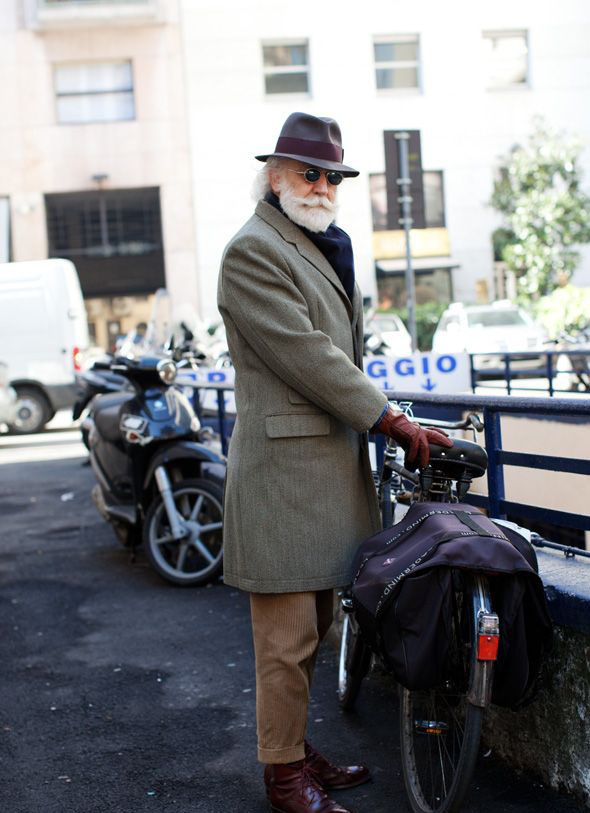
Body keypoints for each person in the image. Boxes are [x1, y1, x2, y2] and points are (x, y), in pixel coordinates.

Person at [217, 112, 452, 813]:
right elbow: (309, 356)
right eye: (308, 172)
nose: (322, 185)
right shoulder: (253, 250)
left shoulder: (318, 242)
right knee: (286, 642)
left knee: (314, 630)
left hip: (321, 476)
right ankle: (283, 778)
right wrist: (389, 416)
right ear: (275, 175)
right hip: (284, 480)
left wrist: (381, 413)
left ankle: (292, 748)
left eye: (331, 176)